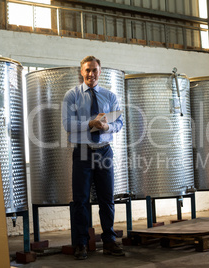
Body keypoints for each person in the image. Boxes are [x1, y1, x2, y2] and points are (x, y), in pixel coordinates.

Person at [62, 56, 124, 260]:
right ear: (81, 72)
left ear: (100, 71)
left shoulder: (110, 96)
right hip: (82, 151)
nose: (91, 74)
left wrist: (107, 127)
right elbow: (67, 125)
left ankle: (109, 241)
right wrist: (90, 124)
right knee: (80, 200)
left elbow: (119, 123)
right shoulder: (72, 96)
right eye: (87, 70)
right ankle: (80, 244)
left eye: (95, 70)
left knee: (107, 199)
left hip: (104, 150)